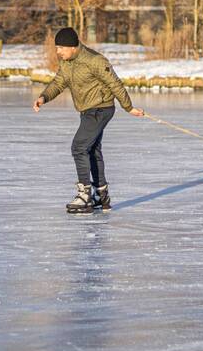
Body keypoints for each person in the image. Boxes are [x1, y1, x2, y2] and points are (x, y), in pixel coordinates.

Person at [33, 27, 145, 213]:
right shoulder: (67, 62)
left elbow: (114, 83)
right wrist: (43, 97)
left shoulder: (95, 60)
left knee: (79, 147)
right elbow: (59, 82)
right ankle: (101, 195)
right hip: (87, 110)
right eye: (57, 48)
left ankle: (84, 195)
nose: (58, 51)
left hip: (101, 109)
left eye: (61, 47)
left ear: (73, 47)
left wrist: (129, 108)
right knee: (92, 149)